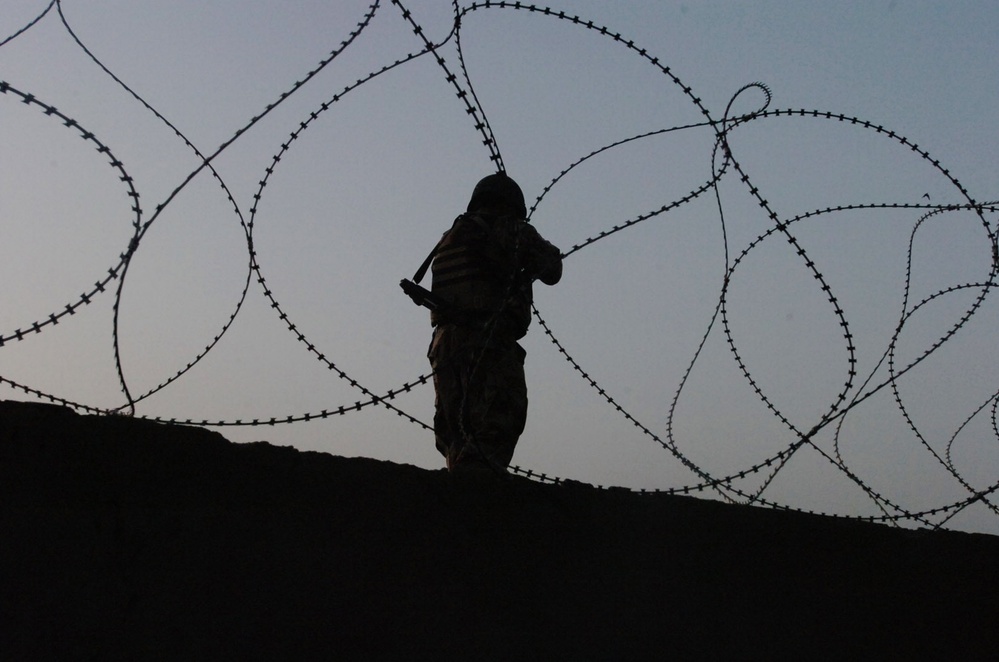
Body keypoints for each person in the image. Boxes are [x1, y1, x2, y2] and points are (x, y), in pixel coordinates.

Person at [426, 173, 562, 475]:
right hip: (488, 340)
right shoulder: (508, 228)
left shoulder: (452, 235)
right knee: (498, 417)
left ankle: (460, 487)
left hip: (444, 344)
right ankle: (482, 497)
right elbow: (553, 269)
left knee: (455, 430)